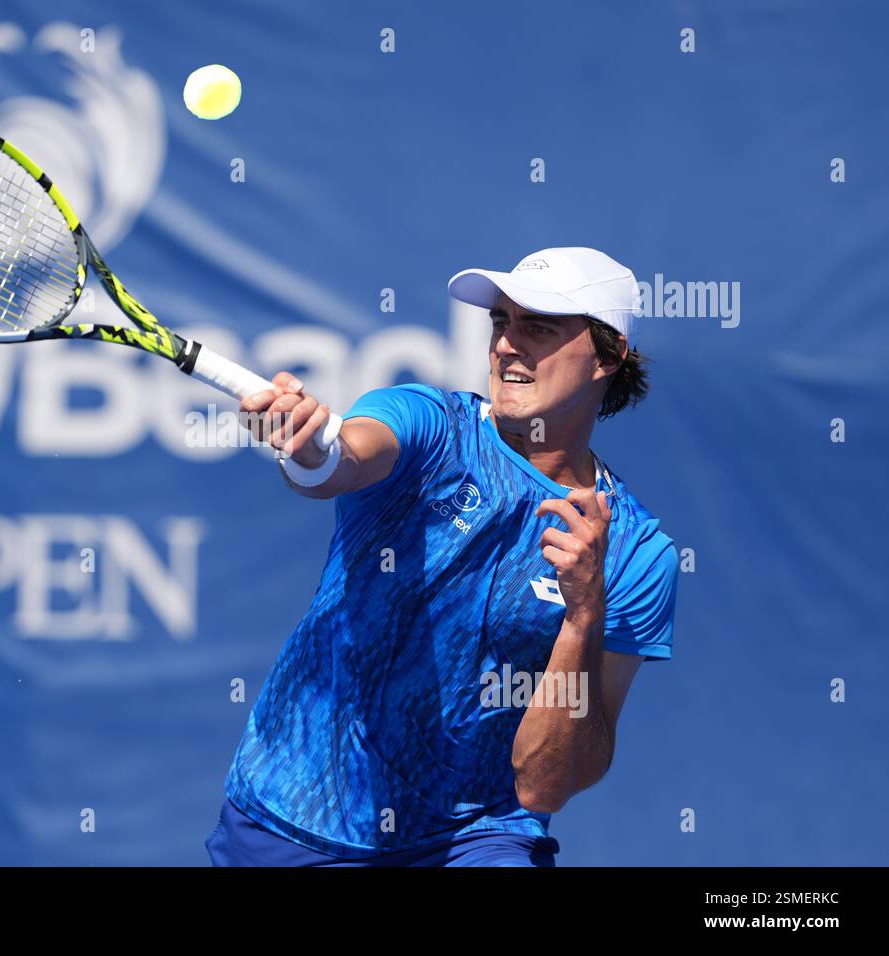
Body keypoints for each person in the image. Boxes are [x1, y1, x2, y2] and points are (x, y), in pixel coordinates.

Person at [206, 247, 678, 866]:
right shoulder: (429, 423)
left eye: (538, 327)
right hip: (291, 819)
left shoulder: (638, 554)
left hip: (474, 838)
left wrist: (584, 613)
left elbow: (548, 783)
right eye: (501, 324)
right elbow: (341, 461)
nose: (507, 345)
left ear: (609, 355)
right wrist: (306, 447)